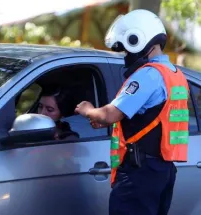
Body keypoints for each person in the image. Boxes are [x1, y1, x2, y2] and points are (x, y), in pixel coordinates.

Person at [75, 9, 189, 215]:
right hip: (163, 171)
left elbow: (110, 114)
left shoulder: (148, 75)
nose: (127, 56)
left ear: (140, 41)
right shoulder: (175, 74)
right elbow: (153, 117)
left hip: (140, 173)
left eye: (127, 50)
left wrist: (87, 110)